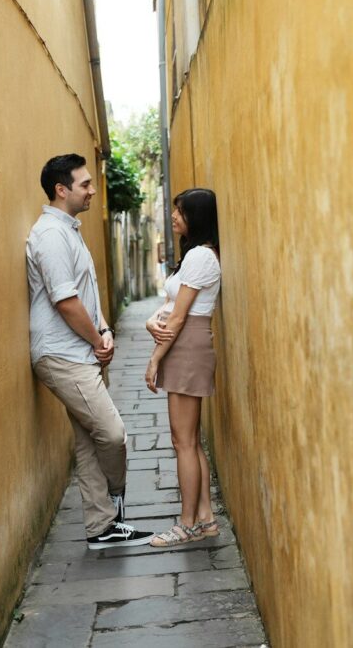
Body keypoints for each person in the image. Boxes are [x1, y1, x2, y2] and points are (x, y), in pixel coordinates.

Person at [26, 153, 153, 549]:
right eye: (84, 184)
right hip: (63, 355)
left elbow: (85, 294)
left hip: (82, 350)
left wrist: (104, 329)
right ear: (61, 190)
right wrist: (99, 342)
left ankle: (101, 528)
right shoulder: (50, 235)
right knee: (113, 435)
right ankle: (116, 497)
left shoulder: (69, 230)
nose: (92, 190)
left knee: (87, 440)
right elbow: (65, 300)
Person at [144, 188, 222, 546]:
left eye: (180, 211)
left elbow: (176, 319)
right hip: (184, 345)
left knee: (183, 442)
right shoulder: (193, 257)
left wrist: (155, 359)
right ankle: (204, 519)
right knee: (189, 441)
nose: (174, 216)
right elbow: (166, 308)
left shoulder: (201, 259)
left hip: (186, 347)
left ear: (197, 216)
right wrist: (149, 322)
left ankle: (187, 524)